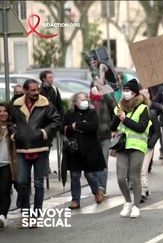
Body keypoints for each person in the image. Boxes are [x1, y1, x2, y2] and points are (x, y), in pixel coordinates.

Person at [9, 79, 61, 226]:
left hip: (40, 148)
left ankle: (36, 217)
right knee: (22, 182)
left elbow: (57, 121)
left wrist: (44, 132)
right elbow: (10, 122)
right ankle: (26, 215)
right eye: (33, 90)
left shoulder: (45, 103)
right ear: (25, 91)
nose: (36, 92)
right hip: (22, 148)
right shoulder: (16, 104)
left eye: (37, 89)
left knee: (38, 183)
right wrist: (15, 134)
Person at [111, 79, 150, 218]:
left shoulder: (143, 108)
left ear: (134, 93)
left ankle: (136, 206)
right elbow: (112, 127)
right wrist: (118, 117)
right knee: (121, 178)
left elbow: (141, 127)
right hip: (122, 146)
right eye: (124, 90)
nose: (125, 93)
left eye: (128, 91)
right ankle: (128, 202)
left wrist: (125, 119)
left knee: (135, 178)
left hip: (137, 146)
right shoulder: (119, 107)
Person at [63, 92, 106, 209]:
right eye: (81, 99)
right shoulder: (69, 113)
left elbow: (93, 127)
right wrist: (75, 126)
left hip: (90, 149)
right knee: (75, 175)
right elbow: (65, 129)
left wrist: (77, 125)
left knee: (90, 175)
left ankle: (97, 192)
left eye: (85, 98)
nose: (85, 101)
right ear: (75, 102)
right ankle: (75, 200)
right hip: (74, 150)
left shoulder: (91, 112)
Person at [89, 82, 115, 196]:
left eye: (99, 86)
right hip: (91, 137)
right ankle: (95, 186)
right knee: (93, 162)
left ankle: (102, 187)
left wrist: (113, 128)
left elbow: (115, 109)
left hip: (105, 135)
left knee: (103, 161)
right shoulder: (86, 101)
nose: (97, 88)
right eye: (95, 86)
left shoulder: (106, 99)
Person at [140, 92, 161, 203]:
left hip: (147, 146)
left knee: (143, 169)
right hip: (134, 146)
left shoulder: (151, 114)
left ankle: (142, 192)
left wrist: (150, 144)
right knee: (136, 170)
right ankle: (144, 188)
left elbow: (157, 132)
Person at [0, 103, 17, 228]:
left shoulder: (13, 128)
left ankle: (2, 216)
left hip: (8, 164)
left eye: (5, 111)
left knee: (4, 190)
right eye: (0, 111)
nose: (2, 113)